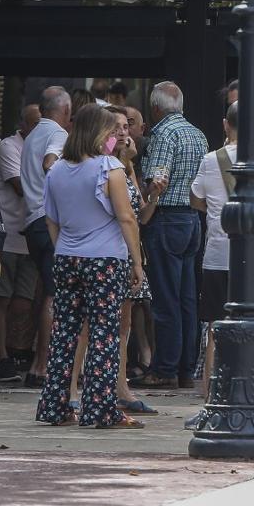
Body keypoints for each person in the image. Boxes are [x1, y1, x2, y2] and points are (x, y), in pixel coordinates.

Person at [36, 105, 145, 429]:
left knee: (64, 334)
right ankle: (100, 410)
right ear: (97, 132)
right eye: (110, 131)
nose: (115, 136)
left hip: (68, 258)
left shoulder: (56, 170)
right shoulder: (109, 168)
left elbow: (50, 219)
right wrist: (136, 260)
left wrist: (63, 249)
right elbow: (126, 217)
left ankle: (56, 407)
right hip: (106, 259)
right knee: (103, 335)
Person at [190, 102, 254, 411]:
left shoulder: (210, 160)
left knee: (216, 331)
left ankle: (211, 397)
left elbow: (196, 200)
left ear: (225, 125)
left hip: (220, 254)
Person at [133, 81, 207, 389]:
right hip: (192, 220)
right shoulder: (197, 134)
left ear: (156, 107)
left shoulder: (164, 133)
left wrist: (145, 192)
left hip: (166, 220)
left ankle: (164, 368)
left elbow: (157, 180)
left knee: (165, 300)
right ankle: (186, 369)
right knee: (188, 299)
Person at [20, 86, 72, 388]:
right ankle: (42, 366)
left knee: (43, 293)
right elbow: (51, 164)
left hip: (31, 222)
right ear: (64, 111)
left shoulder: (32, 134)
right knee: (54, 294)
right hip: (48, 220)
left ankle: (39, 361)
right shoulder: (58, 135)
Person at [106, 106, 155, 417]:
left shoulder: (127, 166)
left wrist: (156, 196)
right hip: (110, 251)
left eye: (126, 126)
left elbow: (141, 216)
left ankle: (120, 385)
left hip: (129, 250)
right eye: (117, 128)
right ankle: (88, 387)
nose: (124, 132)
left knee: (124, 323)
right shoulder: (105, 167)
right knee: (94, 326)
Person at [0, 105, 40, 382]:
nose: (37, 130)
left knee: (24, 302)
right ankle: (1, 356)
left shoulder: (47, 147)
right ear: (22, 124)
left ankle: (17, 348)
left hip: (31, 237)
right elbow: (23, 188)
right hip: (7, 234)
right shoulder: (9, 148)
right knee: (1, 300)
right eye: (33, 124)